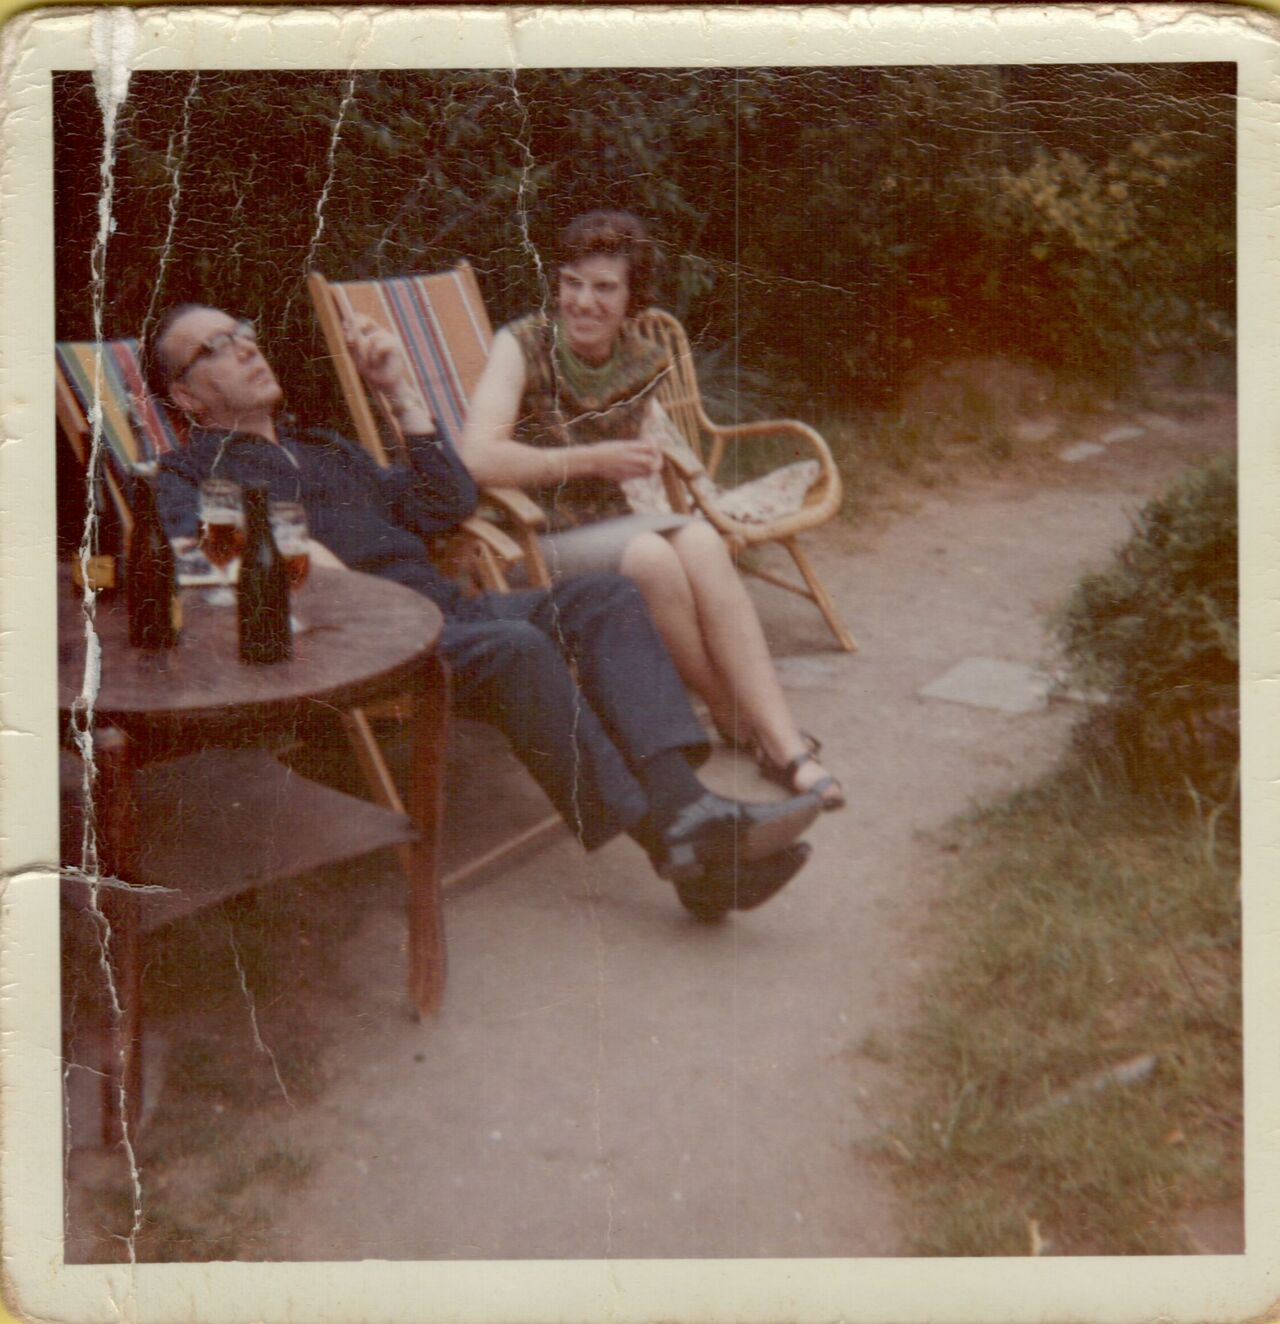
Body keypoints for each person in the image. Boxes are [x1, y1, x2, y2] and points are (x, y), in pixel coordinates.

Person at [148, 303, 822, 920]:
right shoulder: (184, 474)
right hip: (360, 642)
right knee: (516, 647)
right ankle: (681, 836)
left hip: (447, 613)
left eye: (244, 334)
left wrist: (398, 392)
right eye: (215, 347)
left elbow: (446, 505)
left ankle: (688, 826)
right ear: (186, 394)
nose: (243, 349)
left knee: (605, 596)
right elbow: (216, 561)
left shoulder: (325, 448)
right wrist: (307, 560)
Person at [460, 209, 844, 810]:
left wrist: (633, 472)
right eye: (572, 283)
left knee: (699, 542)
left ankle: (786, 743)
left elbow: (638, 465)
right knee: (650, 557)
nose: (583, 302)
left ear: (632, 297)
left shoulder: (644, 361)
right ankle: (732, 714)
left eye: (604, 288)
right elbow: (478, 458)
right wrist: (595, 460)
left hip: (602, 529)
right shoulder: (523, 344)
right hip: (525, 539)